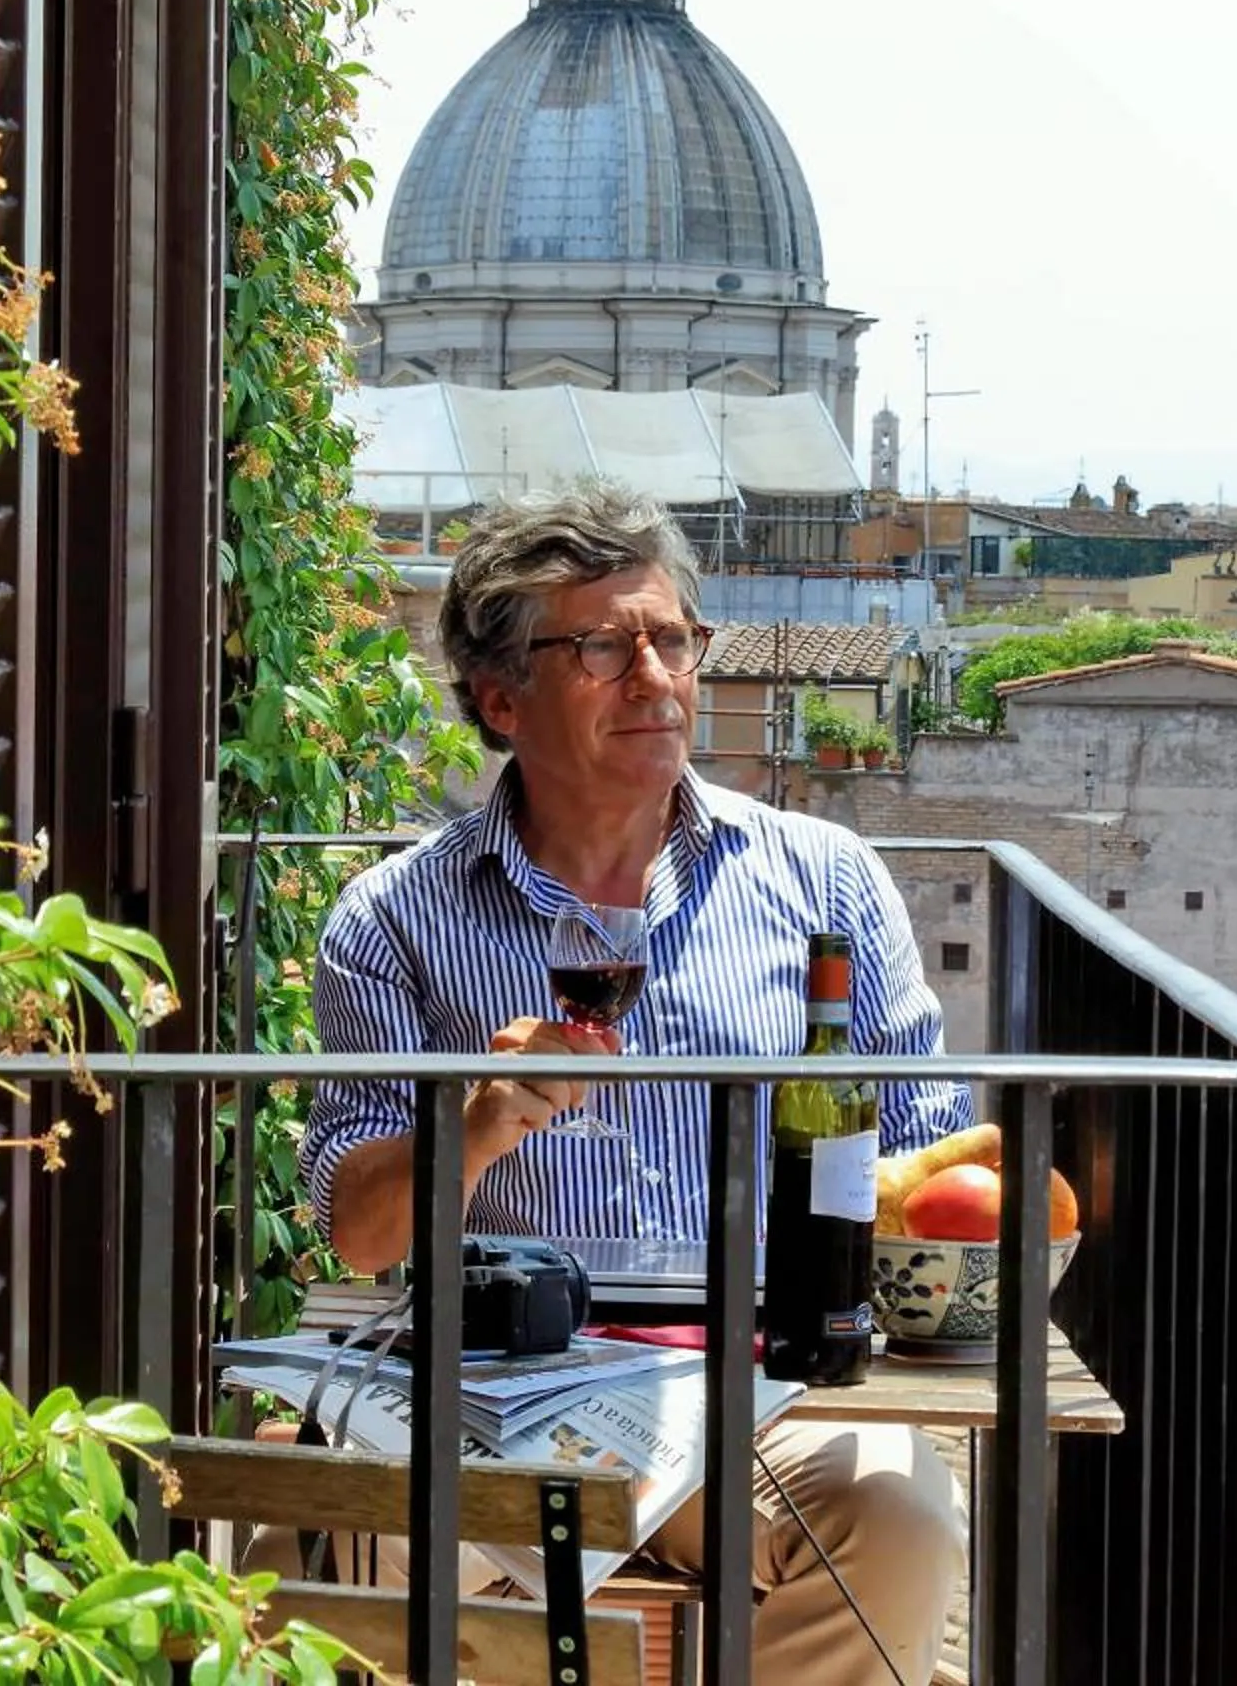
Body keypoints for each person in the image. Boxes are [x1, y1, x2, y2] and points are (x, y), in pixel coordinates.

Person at [304, 480, 972, 1686]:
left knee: (904, 1519)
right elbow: (359, 1232)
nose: (656, 676)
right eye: (604, 646)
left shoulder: (828, 882)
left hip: (764, 1385)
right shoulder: (393, 916)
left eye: (673, 638)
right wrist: (474, 1126)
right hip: (498, 1389)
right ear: (500, 699)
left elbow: (929, 1155)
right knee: (336, 1544)